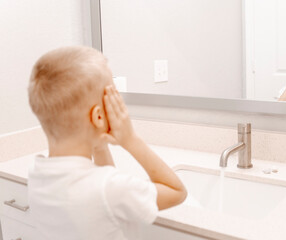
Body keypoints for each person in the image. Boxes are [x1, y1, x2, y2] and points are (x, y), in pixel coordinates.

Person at [27, 46, 187, 240]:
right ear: (99, 116)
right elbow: (177, 191)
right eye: (113, 95)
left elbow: (105, 187)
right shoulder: (110, 188)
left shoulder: (38, 174)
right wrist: (131, 140)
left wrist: (99, 143)